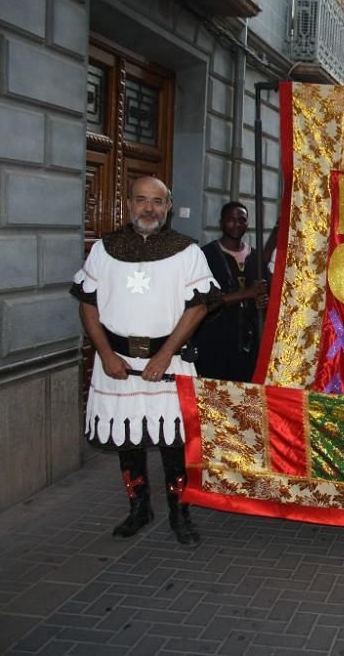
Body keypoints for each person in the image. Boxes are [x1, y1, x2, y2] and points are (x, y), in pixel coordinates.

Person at [71, 176, 217, 546]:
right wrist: (105, 354)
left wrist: (165, 354)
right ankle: (139, 510)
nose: (149, 208)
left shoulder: (187, 251)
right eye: (141, 200)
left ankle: (179, 513)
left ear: (168, 207)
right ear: (129, 204)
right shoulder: (105, 249)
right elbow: (87, 303)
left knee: (174, 444)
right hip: (117, 363)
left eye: (157, 201)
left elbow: (198, 306)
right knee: (127, 440)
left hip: (169, 363)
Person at [194, 202, 269, 381]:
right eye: (231, 220)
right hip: (215, 341)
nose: (236, 224)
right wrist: (247, 293)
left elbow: (265, 294)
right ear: (222, 223)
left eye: (241, 220)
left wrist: (261, 301)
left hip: (248, 344)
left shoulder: (256, 258)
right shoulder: (207, 255)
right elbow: (203, 301)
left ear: (247, 224)